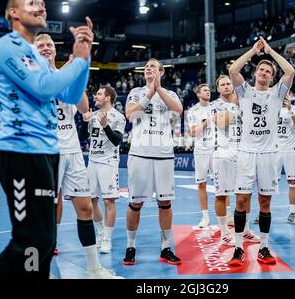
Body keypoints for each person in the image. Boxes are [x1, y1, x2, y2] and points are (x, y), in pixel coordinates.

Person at [0, 0, 93, 279]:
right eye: (32, 2)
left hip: (47, 154)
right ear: (14, 13)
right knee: (30, 239)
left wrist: (85, 57)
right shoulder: (7, 47)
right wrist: (79, 62)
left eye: (42, 2)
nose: (41, 5)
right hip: (20, 152)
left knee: (45, 240)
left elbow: (71, 95)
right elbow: (43, 88)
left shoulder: (35, 58)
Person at [34, 34, 120, 279]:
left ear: (54, 50)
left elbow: (83, 108)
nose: (45, 48)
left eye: (49, 45)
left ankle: (94, 269)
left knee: (84, 208)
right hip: (47, 153)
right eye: (40, 45)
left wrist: (77, 74)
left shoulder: (65, 77)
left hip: (72, 151)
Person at [228, 37, 295, 266]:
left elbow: (290, 70)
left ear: (271, 77)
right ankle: (238, 248)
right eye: (261, 69)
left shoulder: (277, 94)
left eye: (268, 71)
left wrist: (269, 51)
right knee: (241, 202)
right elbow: (233, 69)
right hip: (246, 153)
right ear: (256, 72)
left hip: (268, 155)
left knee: (265, 203)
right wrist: (253, 51)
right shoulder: (244, 91)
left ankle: (264, 248)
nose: (264, 73)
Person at [124, 58, 183, 265]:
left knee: (165, 202)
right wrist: (150, 92)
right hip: (140, 153)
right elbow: (131, 116)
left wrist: (159, 89)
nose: (148, 68)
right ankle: (130, 245)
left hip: (164, 154)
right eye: (146, 66)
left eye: (153, 66)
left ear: (161, 72)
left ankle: (165, 247)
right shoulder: (135, 92)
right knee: (135, 202)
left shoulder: (171, 93)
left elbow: (178, 110)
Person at [211, 75, 259, 247]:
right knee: (222, 195)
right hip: (222, 155)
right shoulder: (214, 105)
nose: (226, 86)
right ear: (218, 89)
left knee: (246, 194)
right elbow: (222, 123)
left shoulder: (243, 104)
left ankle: (245, 229)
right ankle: (224, 232)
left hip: (243, 154)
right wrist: (233, 104)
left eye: (228, 84)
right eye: (222, 84)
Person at [79, 85, 126, 255]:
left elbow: (116, 141)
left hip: (108, 162)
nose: (95, 97)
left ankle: (107, 238)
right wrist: (85, 123)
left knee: (109, 202)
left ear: (108, 98)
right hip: (92, 161)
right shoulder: (91, 116)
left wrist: (106, 125)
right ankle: (100, 232)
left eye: (99, 94)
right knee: (91, 201)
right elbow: (82, 138)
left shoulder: (118, 117)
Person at [187, 84, 215, 228]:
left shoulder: (216, 107)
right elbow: (193, 132)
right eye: (205, 90)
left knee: (222, 183)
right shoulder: (193, 111)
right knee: (201, 183)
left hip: (216, 149)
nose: (208, 92)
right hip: (201, 150)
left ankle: (227, 215)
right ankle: (205, 217)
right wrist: (205, 123)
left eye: (209, 90)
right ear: (198, 94)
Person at [276, 92, 295, 225]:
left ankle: (292, 214)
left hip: (290, 148)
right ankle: (263, 212)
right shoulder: (271, 108)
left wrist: (290, 110)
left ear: (290, 95)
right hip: (273, 149)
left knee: (293, 181)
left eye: (287, 94)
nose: (284, 96)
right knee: (268, 182)